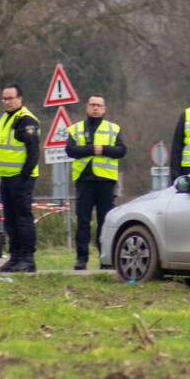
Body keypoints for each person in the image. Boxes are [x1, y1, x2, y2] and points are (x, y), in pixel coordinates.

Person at [64, 94, 127, 270]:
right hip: (84, 180)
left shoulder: (113, 128)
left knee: (104, 222)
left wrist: (103, 149)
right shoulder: (76, 128)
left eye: (99, 105)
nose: (95, 108)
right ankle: (81, 259)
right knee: (83, 221)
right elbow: (70, 150)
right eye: (92, 105)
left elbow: (122, 150)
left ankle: (105, 259)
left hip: (106, 181)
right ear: (87, 107)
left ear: (104, 109)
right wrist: (92, 149)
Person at [0, 83, 40, 273]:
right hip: (6, 177)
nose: (7, 102)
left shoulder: (25, 120)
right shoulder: (5, 118)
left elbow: (33, 151)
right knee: (10, 219)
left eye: (10, 98)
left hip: (21, 177)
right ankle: (15, 258)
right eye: (4, 99)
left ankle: (27, 259)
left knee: (22, 218)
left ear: (20, 99)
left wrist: (24, 174)